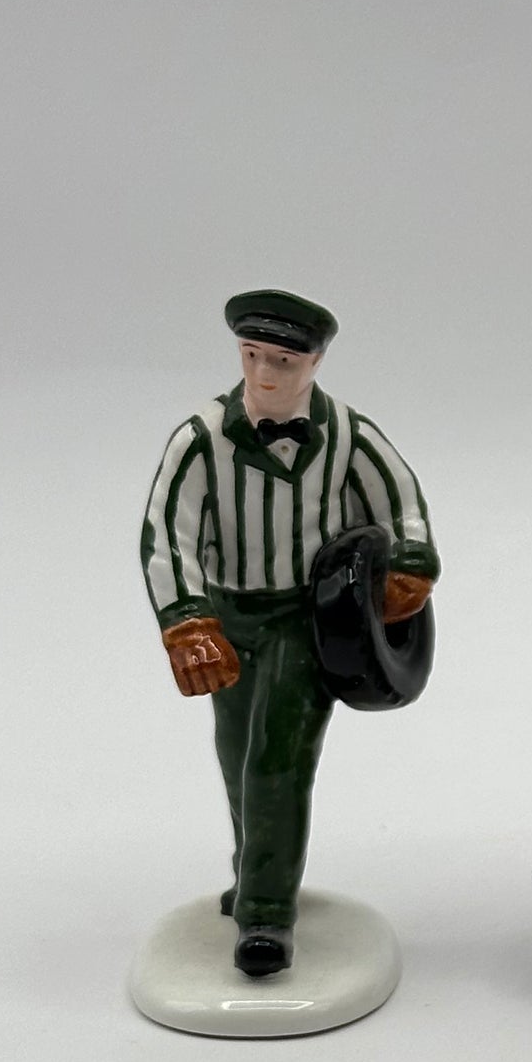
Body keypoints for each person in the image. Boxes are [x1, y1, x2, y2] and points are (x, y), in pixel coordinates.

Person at [139, 290, 439, 976]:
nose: (264, 374)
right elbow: (167, 533)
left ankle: (266, 916)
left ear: (315, 362)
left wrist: (411, 565)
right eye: (252, 356)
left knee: (279, 758)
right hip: (226, 617)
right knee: (237, 755)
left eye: (283, 361)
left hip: (305, 619)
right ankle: (254, 870)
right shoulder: (201, 438)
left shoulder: (350, 434)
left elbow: (402, 503)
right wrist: (187, 621)